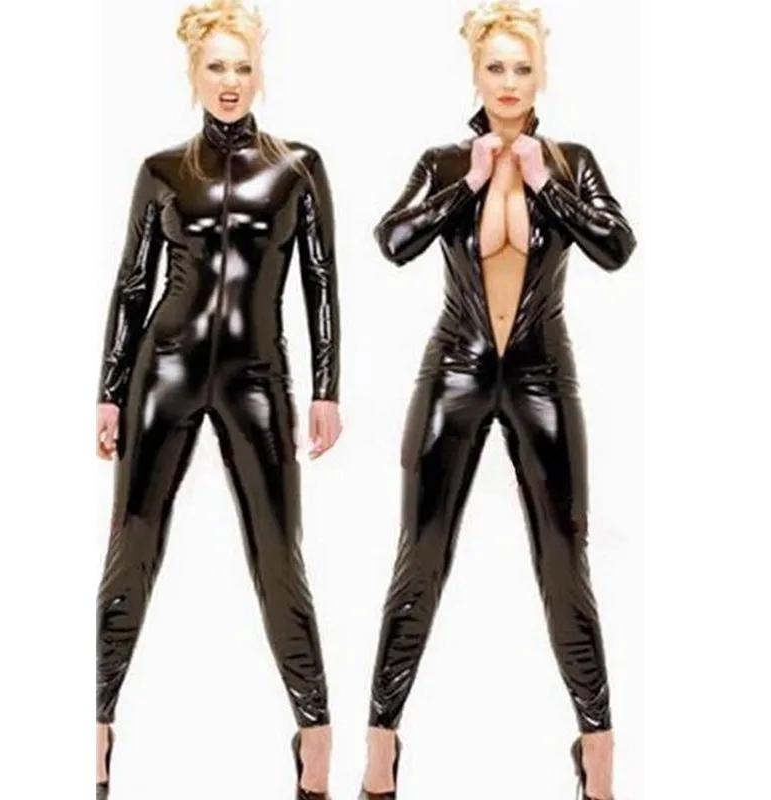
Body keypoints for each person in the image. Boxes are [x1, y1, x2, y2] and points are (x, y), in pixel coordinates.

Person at [359, 3, 636, 799]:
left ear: (541, 74)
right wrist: (471, 184)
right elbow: (394, 241)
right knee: (421, 555)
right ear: (475, 75)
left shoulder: (572, 161)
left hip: (543, 374)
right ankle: (380, 748)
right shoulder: (444, 160)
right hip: (455, 370)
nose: (509, 82)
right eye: (495, 67)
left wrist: (548, 185)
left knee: (564, 558)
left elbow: (616, 247)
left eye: (522, 67)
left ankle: (598, 753)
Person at [94, 2, 340, 797]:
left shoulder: (298, 166)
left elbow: (320, 281)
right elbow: (133, 285)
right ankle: (96, 728)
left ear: (259, 72)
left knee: (278, 551)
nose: (229, 82)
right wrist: (109, 391)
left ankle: (314, 736)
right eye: (216, 67)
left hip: (257, 374)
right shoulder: (162, 170)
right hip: (163, 369)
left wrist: (327, 388)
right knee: (132, 546)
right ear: (193, 73)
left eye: (242, 67)